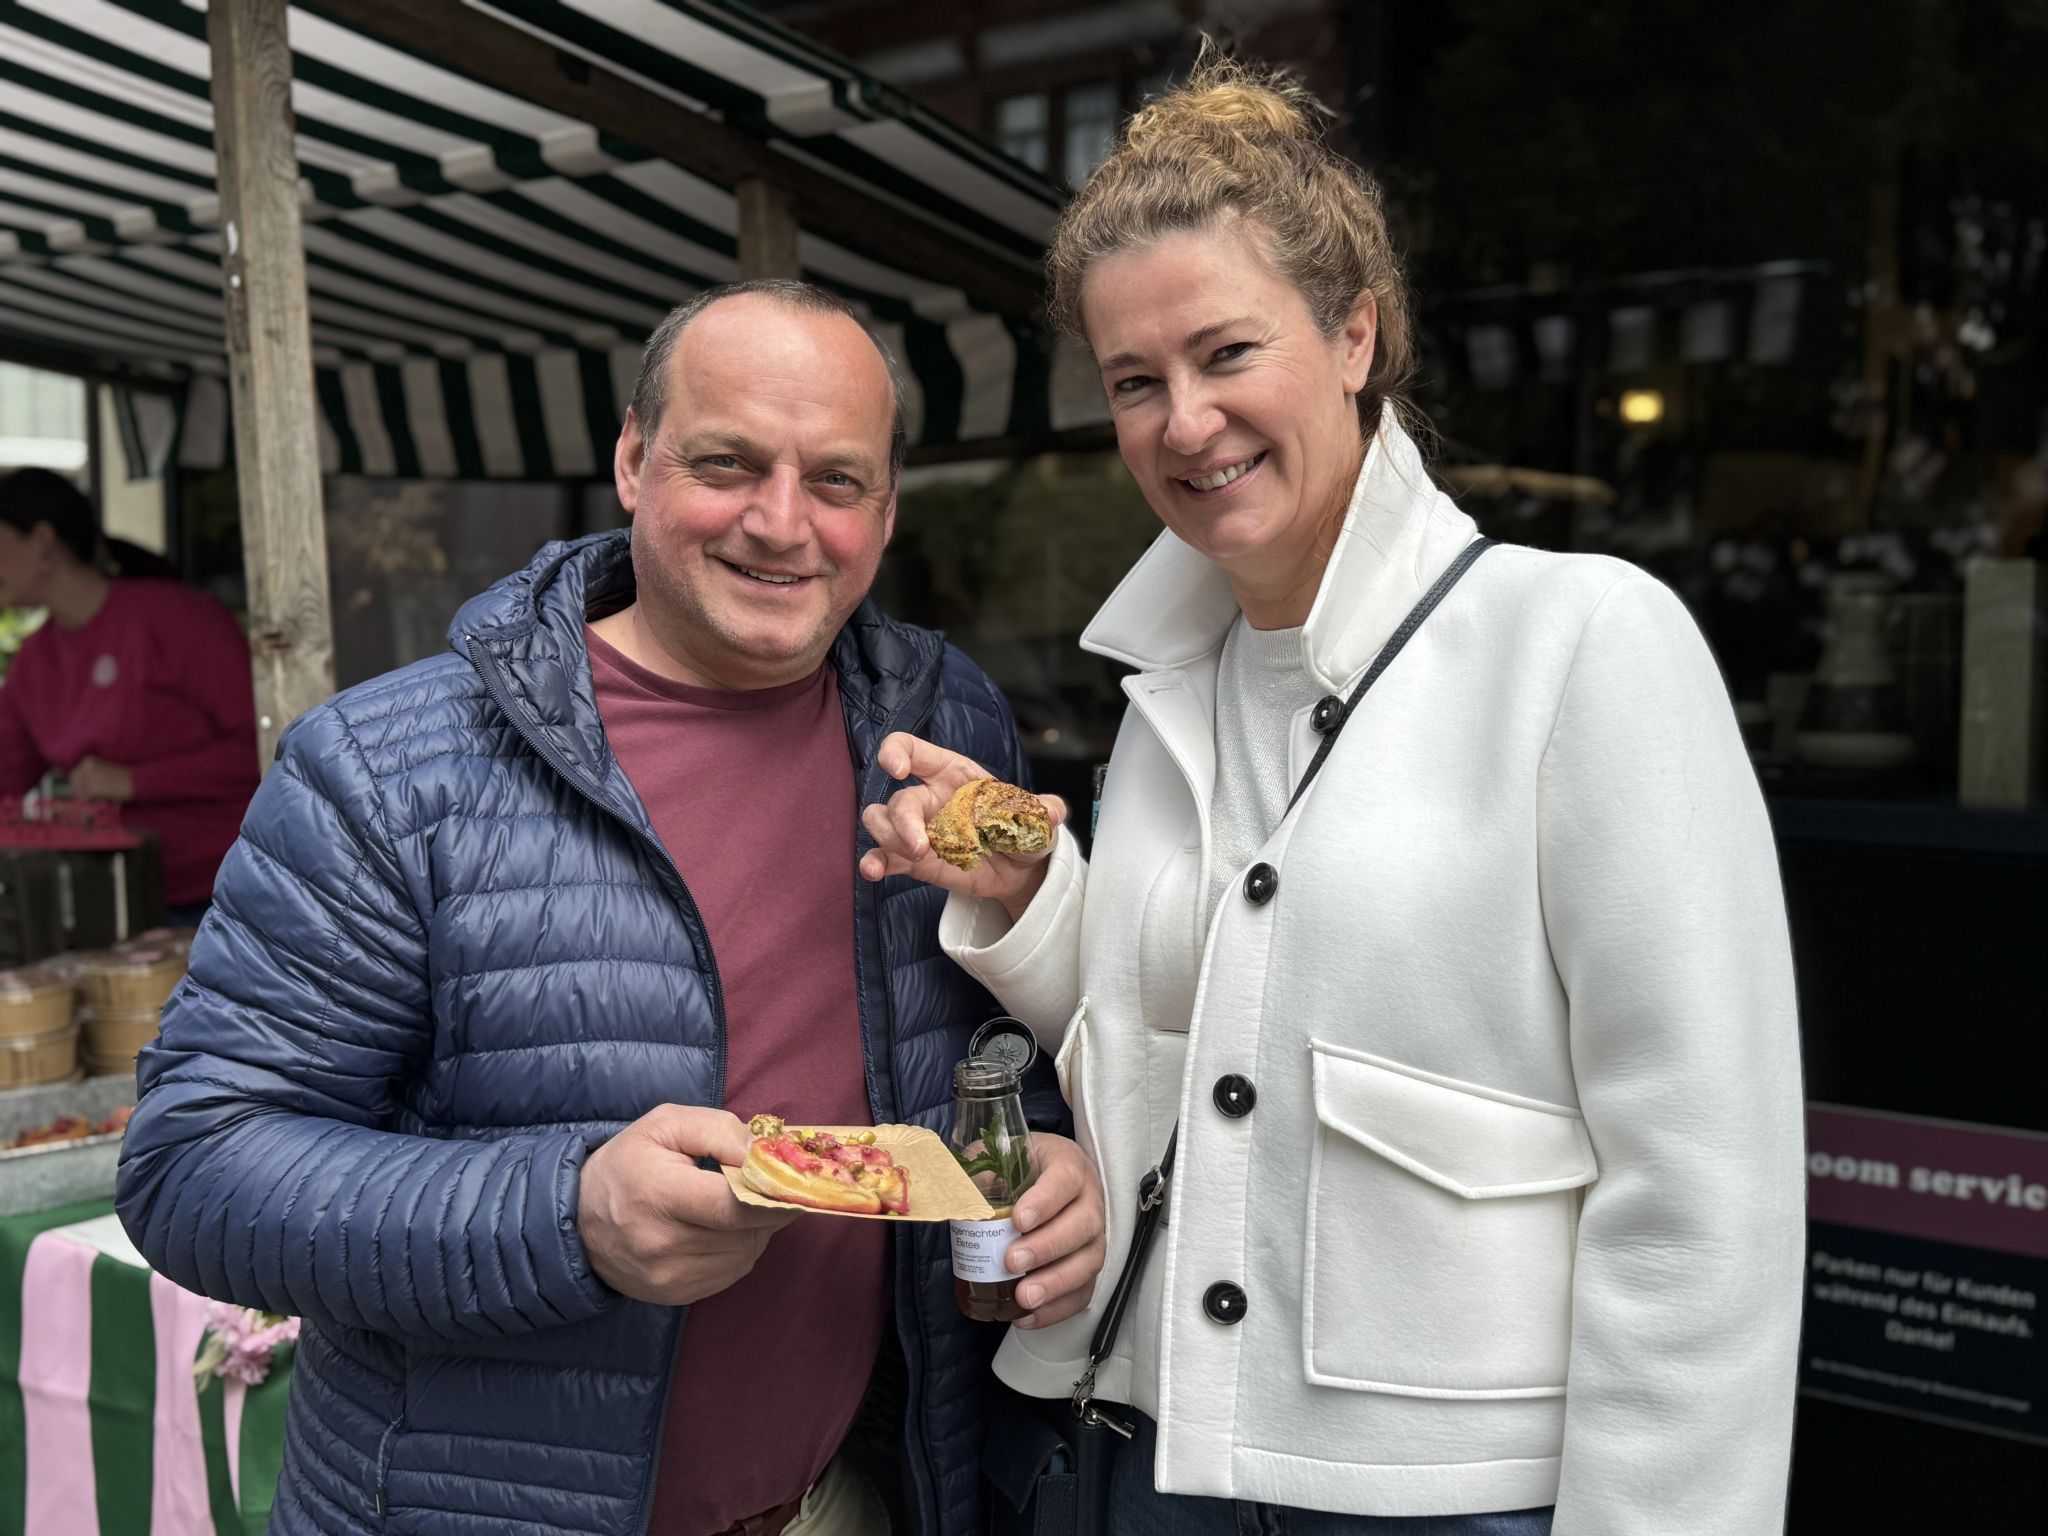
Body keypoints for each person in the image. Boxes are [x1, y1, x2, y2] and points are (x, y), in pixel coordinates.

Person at [858, 55, 1805, 1536]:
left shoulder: (1579, 641)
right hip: (1142, 1457)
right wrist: (1033, 893)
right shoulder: (1172, 685)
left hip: (1442, 1500)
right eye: (1135, 381)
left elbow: (1704, 1191)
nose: (1185, 422)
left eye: (1227, 353)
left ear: (1354, 334)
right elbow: (1197, 1035)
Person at [116, 281, 1106, 1536]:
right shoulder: (386, 769)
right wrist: (567, 1215)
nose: (781, 522)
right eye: (726, 463)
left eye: (836, 480)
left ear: (887, 507)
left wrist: (1042, 1155)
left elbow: (985, 1052)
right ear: (634, 460)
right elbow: (192, 1166)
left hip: (845, 1501)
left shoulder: (940, 724)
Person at [0, 467, 257, 924]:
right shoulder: (33, 663)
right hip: (125, 906)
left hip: (244, 891)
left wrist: (135, 781)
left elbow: (273, 746)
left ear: (41, 541)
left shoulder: (178, 618)